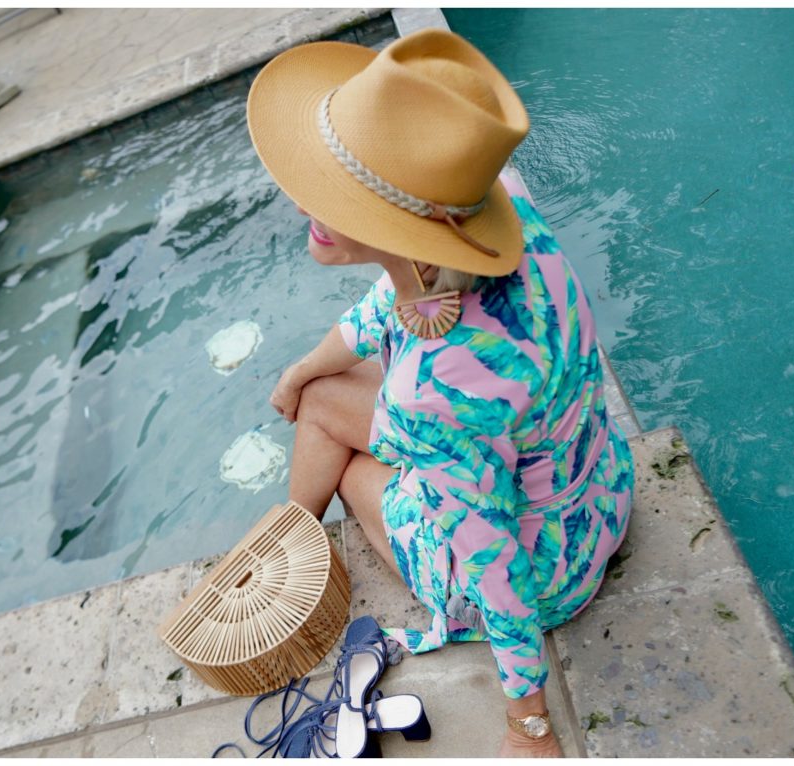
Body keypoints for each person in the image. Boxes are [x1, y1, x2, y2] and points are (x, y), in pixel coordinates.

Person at [246, 27, 634, 758]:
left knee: (337, 437)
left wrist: (530, 724)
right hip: (598, 491)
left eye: (344, 190)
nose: (309, 202)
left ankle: (289, 561)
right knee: (322, 393)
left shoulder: (436, 392)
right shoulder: (500, 217)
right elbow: (393, 304)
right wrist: (301, 368)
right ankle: (290, 540)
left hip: (548, 568)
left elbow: (495, 570)